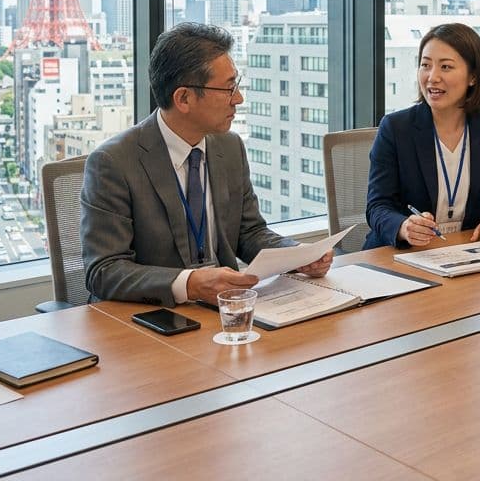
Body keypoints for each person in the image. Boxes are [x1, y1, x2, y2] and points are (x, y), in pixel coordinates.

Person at [81, 23, 331, 307]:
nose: (238, 98)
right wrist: (189, 284)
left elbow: (248, 233)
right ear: (184, 98)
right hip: (155, 317)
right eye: (228, 89)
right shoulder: (113, 163)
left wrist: (296, 255)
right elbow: (104, 271)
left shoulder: (229, 147)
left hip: (225, 310)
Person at [364, 23, 480, 249]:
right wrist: (403, 227)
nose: (432, 77)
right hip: (402, 255)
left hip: (466, 250)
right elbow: (377, 206)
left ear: (473, 77)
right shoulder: (396, 128)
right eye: (425, 65)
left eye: (446, 67)